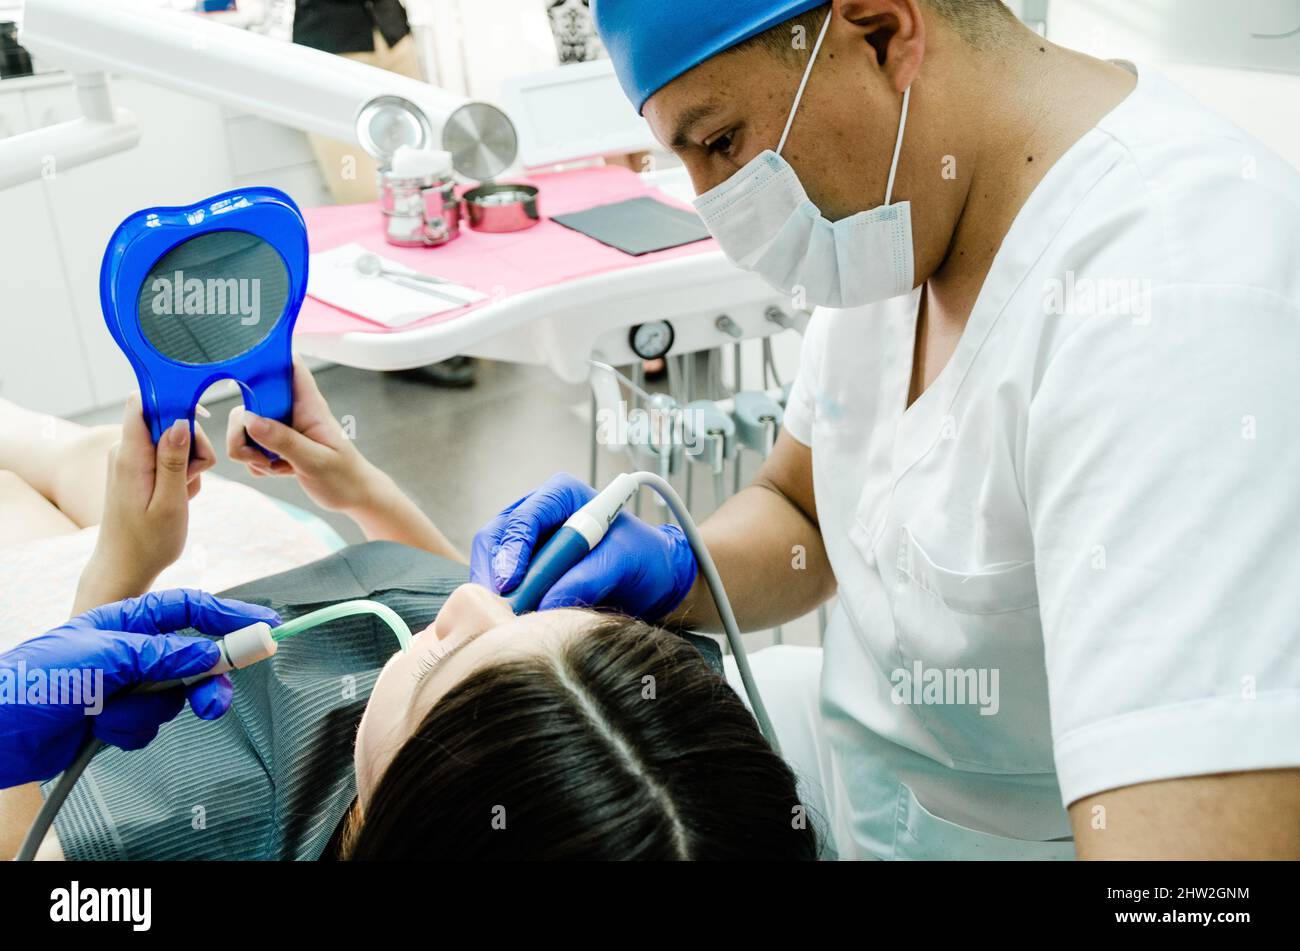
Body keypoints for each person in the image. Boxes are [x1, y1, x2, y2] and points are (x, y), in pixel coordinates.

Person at [471, 0, 1300, 859]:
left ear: (882, 33)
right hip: (870, 801)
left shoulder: (1176, 305)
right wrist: (677, 569)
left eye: (721, 143)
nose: (719, 215)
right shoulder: (897, 216)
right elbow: (804, 514)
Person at [0, 365, 817, 860]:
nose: (469, 596)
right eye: (528, 613)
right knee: (67, 452)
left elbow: (24, 826)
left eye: (441, 658)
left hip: (84, 588)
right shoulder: (657, 789)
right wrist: (360, 489)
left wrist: (116, 567)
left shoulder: (198, 827)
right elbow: (434, 607)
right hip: (251, 544)